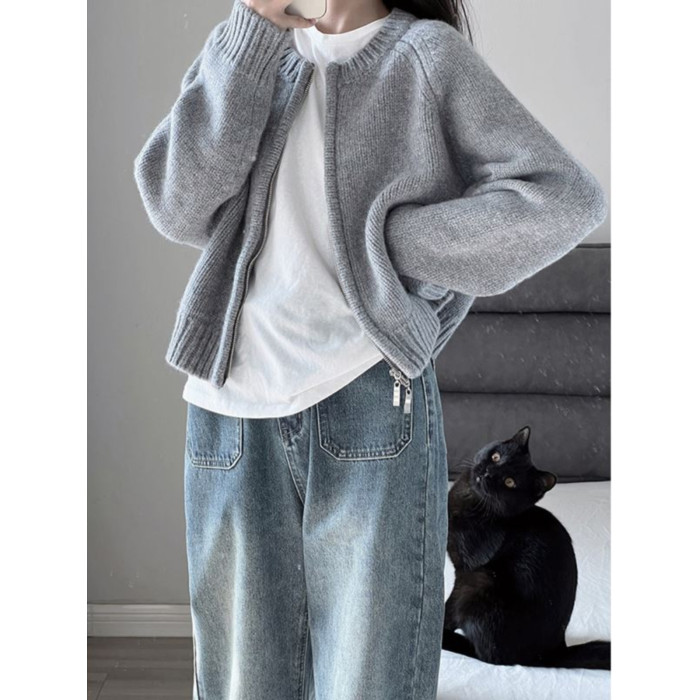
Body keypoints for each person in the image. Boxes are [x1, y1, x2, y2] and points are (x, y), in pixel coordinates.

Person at [133, 0, 608, 698]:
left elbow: (564, 198)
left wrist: (392, 244)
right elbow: (176, 206)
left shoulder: (424, 57)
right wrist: (250, 36)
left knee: (369, 682)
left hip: (369, 401)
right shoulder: (244, 51)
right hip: (227, 410)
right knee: (243, 683)